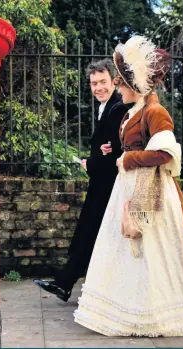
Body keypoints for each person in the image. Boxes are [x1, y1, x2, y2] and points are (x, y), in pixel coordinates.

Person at [73, 36, 183, 337]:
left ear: (135, 87)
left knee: (156, 253)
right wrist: (117, 153)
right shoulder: (135, 111)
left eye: (121, 84)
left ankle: (163, 312)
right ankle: (131, 310)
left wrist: (129, 158)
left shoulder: (155, 111)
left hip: (153, 193)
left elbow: (167, 153)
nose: (117, 89)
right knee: (133, 253)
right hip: (132, 188)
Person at [34, 59, 131, 302]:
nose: (98, 87)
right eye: (93, 83)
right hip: (102, 183)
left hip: (110, 186)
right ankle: (67, 282)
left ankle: (68, 282)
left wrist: (93, 162)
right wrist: (97, 155)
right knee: (91, 234)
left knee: (93, 234)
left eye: (102, 82)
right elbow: (105, 148)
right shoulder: (107, 106)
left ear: (114, 81)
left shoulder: (117, 107)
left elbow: (119, 149)